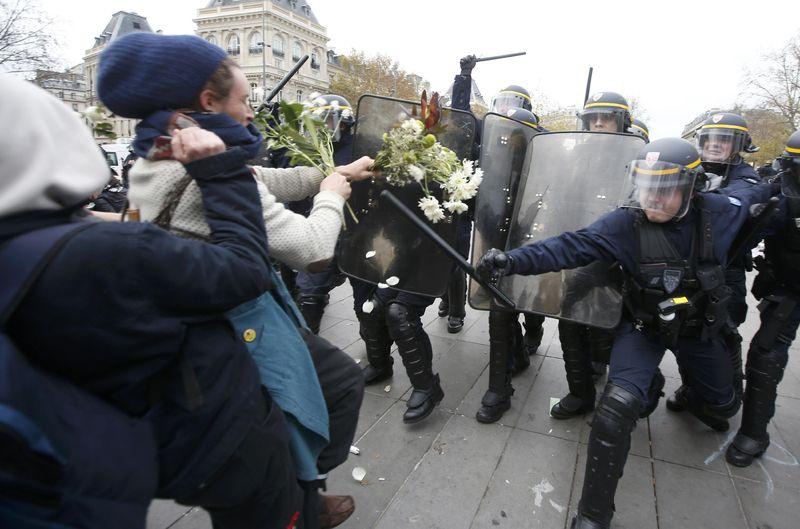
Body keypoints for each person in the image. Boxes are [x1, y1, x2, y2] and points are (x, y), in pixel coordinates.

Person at [2, 74, 305, 529]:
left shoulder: (24, 241)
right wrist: (221, 172)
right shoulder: (112, 253)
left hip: (146, 440)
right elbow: (245, 271)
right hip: (215, 434)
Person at [98, 32, 373, 528]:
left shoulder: (156, 155)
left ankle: (302, 489)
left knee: (328, 388)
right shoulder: (200, 174)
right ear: (208, 103)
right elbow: (311, 251)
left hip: (213, 319)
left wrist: (335, 172)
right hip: (231, 328)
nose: (250, 113)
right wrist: (333, 196)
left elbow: (261, 180)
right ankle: (296, 496)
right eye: (243, 100)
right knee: (308, 408)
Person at [476, 138, 777, 529]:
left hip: (699, 329)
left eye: (666, 188)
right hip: (644, 327)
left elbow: (767, 197)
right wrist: (510, 259)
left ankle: (692, 391)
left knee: (721, 407)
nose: (653, 197)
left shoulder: (722, 212)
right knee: (614, 410)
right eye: (646, 185)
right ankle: (593, 516)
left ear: (692, 187)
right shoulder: (623, 223)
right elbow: (569, 247)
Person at [667, 112, 762, 414]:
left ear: (739, 145)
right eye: (710, 138)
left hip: (726, 270)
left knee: (724, 335)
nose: (716, 145)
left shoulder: (747, 178)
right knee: (688, 331)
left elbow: (737, 202)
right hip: (692, 269)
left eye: (725, 139)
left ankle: (727, 396)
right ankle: (692, 388)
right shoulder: (692, 168)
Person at [547, 91, 633, 420]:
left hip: (619, 259)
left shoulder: (636, 157)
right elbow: (564, 198)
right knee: (569, 319)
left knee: (609, 331)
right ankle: (580, 392)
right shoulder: (580, 157)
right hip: (581, 252)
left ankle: (617, 397)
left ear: (621, 121)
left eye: (607, 117)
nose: (598, 122)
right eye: (592, 117)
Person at [725, 130, 800, 467]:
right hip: (790, 287)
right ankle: (754, 433)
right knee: (766, 353)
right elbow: (747, 233)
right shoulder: (780, 192)